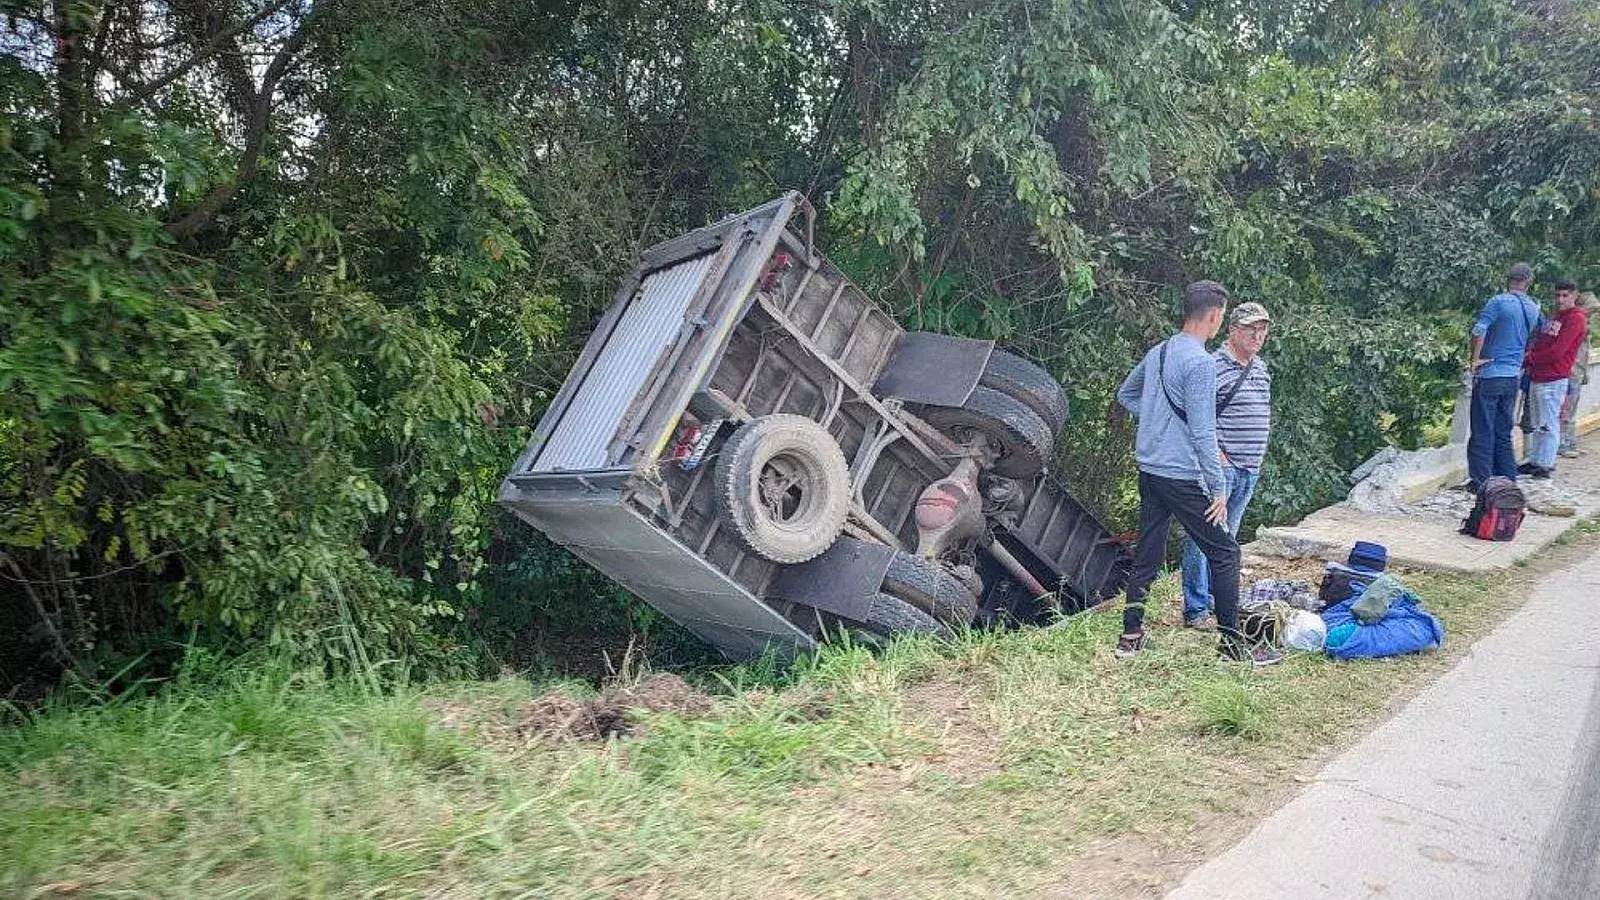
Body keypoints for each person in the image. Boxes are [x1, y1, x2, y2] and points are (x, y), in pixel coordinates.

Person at [1112, 281, 1282, 667]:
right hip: (1182, 475)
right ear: (1215, 316)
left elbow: (1127, 394)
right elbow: (1204, 432)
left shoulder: (1160, 351)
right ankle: (1233, 648)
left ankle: (1130, 636)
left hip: (1150, 470)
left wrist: (1156, 425)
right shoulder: (1201, 363)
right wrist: (1218, 488)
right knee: (1225, 552)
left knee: (1148, 552)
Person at [1180, 302, 1273, 628]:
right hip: (1222, 468)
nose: (1257, 335)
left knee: (1227, 542)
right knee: (1203, 537)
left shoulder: (1260, 367)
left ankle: (1222, 604)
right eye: (1250, 328)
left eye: (1262, 329)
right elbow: (1196, 416)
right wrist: (1215, 455)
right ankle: (1196, 609)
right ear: (1232, 330)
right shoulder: (1212, 366)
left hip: (1250, 468)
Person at [1467, 263, 1544, 491]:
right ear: (1529, 282)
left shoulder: (1498, 302)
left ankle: (1481, 480)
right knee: (1503, 429)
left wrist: (1474, 359)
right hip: (1513, 377)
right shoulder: (1534, 306)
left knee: (1482, 428)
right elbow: (1540, 333)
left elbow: (1478, 330)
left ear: (1508, 279)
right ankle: (1507, 478)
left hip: (1491, 374)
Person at [1521, 280, 1588, 477]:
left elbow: (1557, 352)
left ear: (1575, 295)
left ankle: (1546, 464)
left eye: (1565, 295)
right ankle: (1536, 460)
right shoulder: (1556, 316)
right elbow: (1543, 341)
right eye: (1557, 295)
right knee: (1537, 422)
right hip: (1538, 375)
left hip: (1554, 377)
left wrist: (1529, 359)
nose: (1560, 299)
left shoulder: (1576, 319)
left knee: (1548, 423)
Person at [1559, 291, 1597, 459]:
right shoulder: (1575, 323)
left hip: (1578, 372)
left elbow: (1584, 354)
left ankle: (1570, 442)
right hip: (1570, 372)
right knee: (1566, 411)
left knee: (1571, 411)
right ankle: (1563, 444)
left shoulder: (1583, 324)